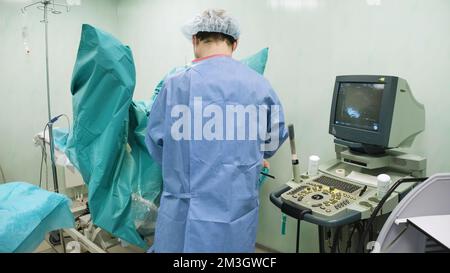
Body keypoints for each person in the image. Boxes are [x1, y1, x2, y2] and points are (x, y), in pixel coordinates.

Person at [145, 9, 288, 253]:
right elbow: (273, 138)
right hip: (235, 212)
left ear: (194, 40)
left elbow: (155, 143)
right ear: (235, 43)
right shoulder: (259, 85)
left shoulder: (176, 85)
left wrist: (180, 163)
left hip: (183, 212)